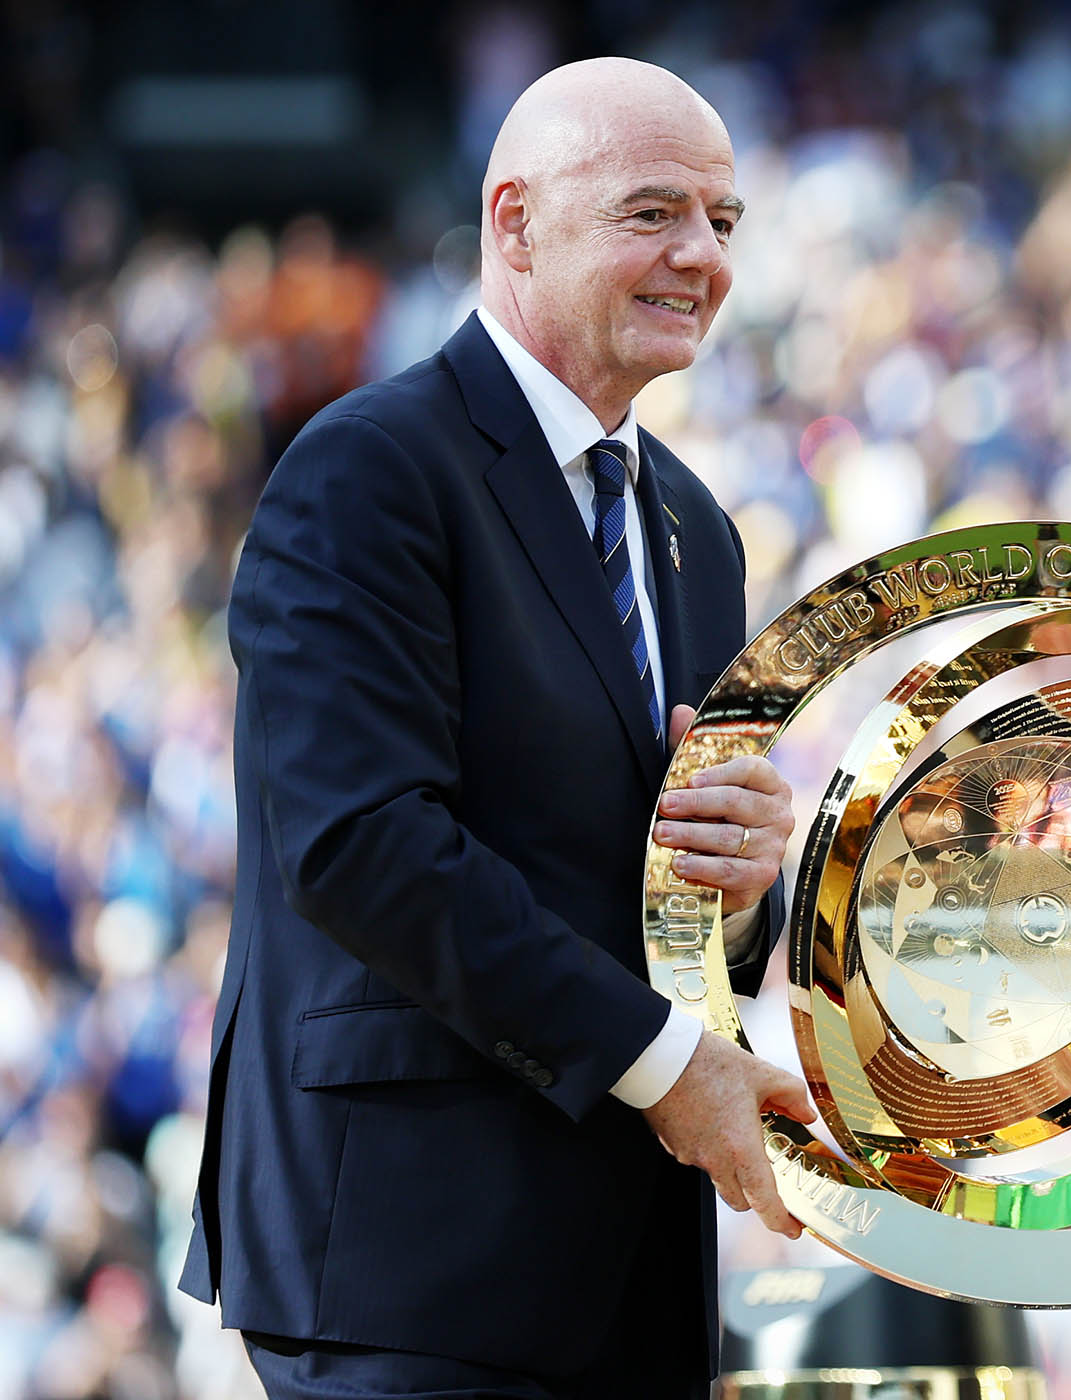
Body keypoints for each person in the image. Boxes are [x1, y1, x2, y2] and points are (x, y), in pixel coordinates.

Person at [177, 58, 822, 1399]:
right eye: (653, 213)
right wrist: (664, 1068)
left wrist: (747, 881)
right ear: (514, 222)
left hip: (627, 1275)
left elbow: (667, 916)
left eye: (723, 220)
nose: (700, 255)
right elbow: (362, 845)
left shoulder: (695, 529)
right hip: (409, 1265)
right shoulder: (369, 467)